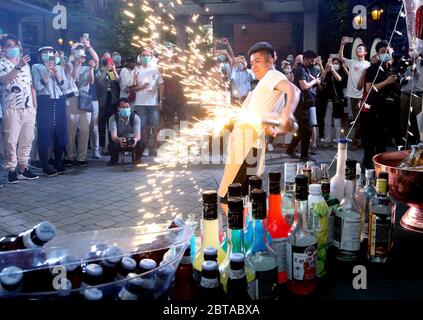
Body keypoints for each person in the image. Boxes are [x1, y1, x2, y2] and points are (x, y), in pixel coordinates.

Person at [218, 42, 300, 213]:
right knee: (244, 200)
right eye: (252, 62)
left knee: (228, 202)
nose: (253, 66)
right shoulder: (261, 87)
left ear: (270, 61)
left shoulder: (272, 75)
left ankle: (241, 236)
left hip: (248, 148)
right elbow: (268, 124)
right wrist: (274, 129)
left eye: (258, 61)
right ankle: (250, 234)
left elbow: (294, 90)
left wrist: (288, 114)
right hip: (249, 146)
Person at [0, 34, 38, 183]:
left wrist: (34, 105)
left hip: (28, 106)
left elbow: (30, 85)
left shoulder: (25, 64)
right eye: (9, 46)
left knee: (27, 138)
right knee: (11, 140)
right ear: (3, 49)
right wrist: (18, 66)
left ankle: (24, 167)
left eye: (14, 45)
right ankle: (11, 169)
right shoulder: (2, 63)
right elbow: (4, 80)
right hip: (11, 107)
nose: (12, 48)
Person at [32, 45, 69, 176]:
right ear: (40, 55)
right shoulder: (36, 67)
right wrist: (48, 71)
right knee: (45, 132)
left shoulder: (59, 68)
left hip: (58, 100)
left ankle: (58, 162)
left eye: (50, 52)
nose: (48, 54)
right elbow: (38, 86)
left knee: (59, 131)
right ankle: (45, 164)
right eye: (44, 52)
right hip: (45, 100)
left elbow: (65, 86)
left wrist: (57, 73)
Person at [362, 41, 398, 169]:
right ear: (377, 54)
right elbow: (369, 89)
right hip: (374, 108)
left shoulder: (392, 69)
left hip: (388, 109)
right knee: (371, 140)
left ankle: (381, 167)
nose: (386, 54)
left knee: (383, 141)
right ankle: (367, 166)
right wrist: (387, 82)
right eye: (383, 52)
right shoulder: (373, 69)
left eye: (388, 51)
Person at [64, 38, 99, 167]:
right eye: (77, 50)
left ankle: (82, 157)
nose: (80, 52)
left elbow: (91, 82)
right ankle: (69, 156)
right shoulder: (67, 65)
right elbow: (72, 79)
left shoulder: (87, 66)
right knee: (71, 130)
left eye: (81, 50)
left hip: (85, 98)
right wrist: (77, 64)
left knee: (84, 130)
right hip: (71, 99)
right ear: (73, 52)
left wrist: (91, 69)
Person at [286, 50, 320, 162]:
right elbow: (304, 86)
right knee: (308, 130)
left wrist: (315, 80)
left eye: (314, 61)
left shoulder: (305, 69)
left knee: (302, 130)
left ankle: (290, 149)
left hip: (303, 104)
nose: (313, 63)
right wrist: (314, 81)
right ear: (305, 59)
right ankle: (304, 156)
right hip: (299, 104)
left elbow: (308, 79)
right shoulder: (300, 70)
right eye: (311, 61)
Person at [339, 37, 370, 150]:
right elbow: (341, 58)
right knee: (358, 120)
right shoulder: (352, 62)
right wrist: (342, 45)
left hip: (363, 96)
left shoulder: (368, 64)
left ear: (365, 52)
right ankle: (358, 141)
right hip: (353, 96)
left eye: (360, 49)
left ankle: (356, 142)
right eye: (357, 49)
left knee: (360, 120)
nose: (358, 50)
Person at [132, 47, 164, 157]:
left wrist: (160, 100)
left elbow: (161, 85)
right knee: (143, 127)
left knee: (155, 126)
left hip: (153, 103)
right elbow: (133, 88)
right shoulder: (137, 70)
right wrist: (142, 85)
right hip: (140, 103)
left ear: (151, 57)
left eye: (147, 55)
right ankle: (145, 147)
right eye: (143, 55)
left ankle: (155, 147)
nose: (145, 57)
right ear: (140, 57)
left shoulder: (155, 69)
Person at [96, 51, 120, 157]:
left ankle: (112, 145)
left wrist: (113, 70)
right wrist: (106, 69)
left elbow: (117, 81)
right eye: (106, 59)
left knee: (112, 123)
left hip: (112, 99)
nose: (108, 61)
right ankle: (102, 146)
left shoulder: (111, 70)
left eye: (109, 59)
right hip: (102, 100)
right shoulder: (100, 69)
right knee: (102, 124)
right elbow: (99, 81)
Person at [318, 57, 347, 145]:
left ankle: (337, 138)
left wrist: (333, 70)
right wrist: (326, 70)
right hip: (327, 100)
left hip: (337, 101)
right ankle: (327, 138)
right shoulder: (328, 73)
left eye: (336, 63)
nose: (334, 65)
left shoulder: (341, 73)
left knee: (337, 121)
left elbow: (339, 79)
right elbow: (321, 79)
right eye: (333, 63)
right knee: (327, 120)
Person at [108, 98, 142, 166]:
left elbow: (137, 135)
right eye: (123, 107)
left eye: (127, 107)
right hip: (119, 140)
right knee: (112, 144)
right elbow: (113, 136)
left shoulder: (135, 117)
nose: (125, 109)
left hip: (131, 140)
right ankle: (114, 159)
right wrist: (119, 139)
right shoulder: (113, 118)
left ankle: (137, 159)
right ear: (118, 108)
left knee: (141, 143)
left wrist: (135, 140)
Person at [400, 53, 423, 146]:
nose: (411, 52)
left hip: (417, 95)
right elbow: (399, 75)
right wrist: (402, 80)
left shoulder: (421, 62)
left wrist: (416, 72)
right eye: (410, 50)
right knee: (403, 119)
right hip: (405, 95)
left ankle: (419, 142)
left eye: (413, 50)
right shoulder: (406, 61)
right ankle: (403, 141)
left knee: (419, 120)